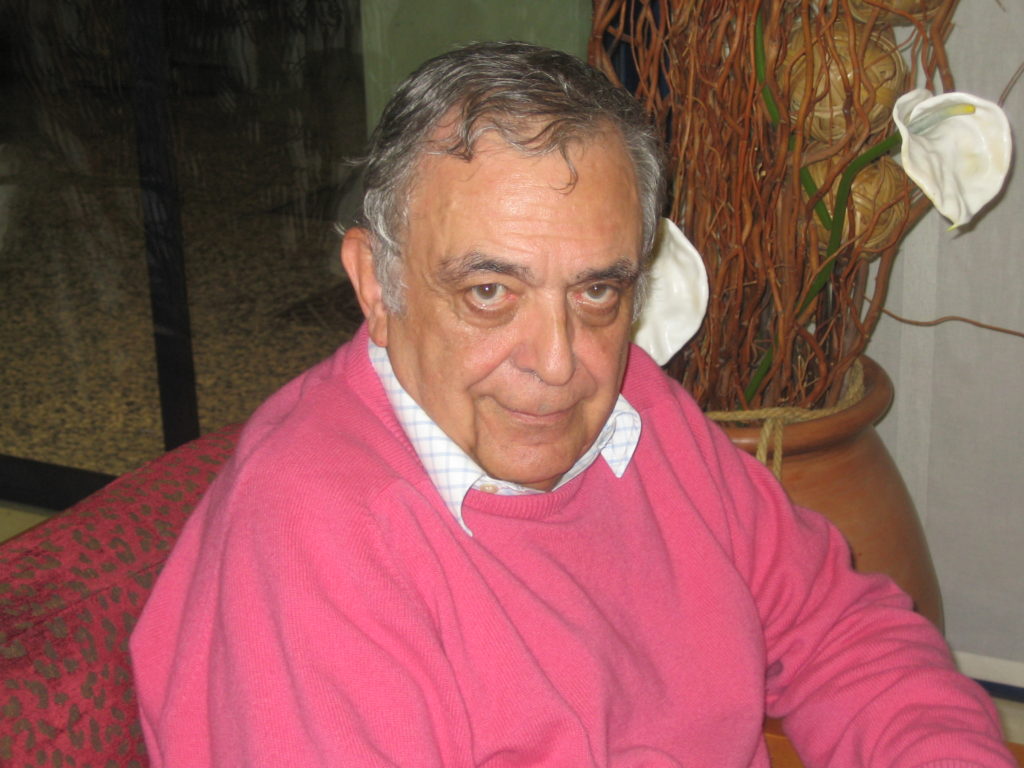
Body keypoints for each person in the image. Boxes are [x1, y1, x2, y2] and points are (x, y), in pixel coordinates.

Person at [130, 41, 1015, 767]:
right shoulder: (313, 547)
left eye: (597, 291)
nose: (558, 364)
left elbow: (838, 632)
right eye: (489, 292)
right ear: (376, 284)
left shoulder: (638, 410)